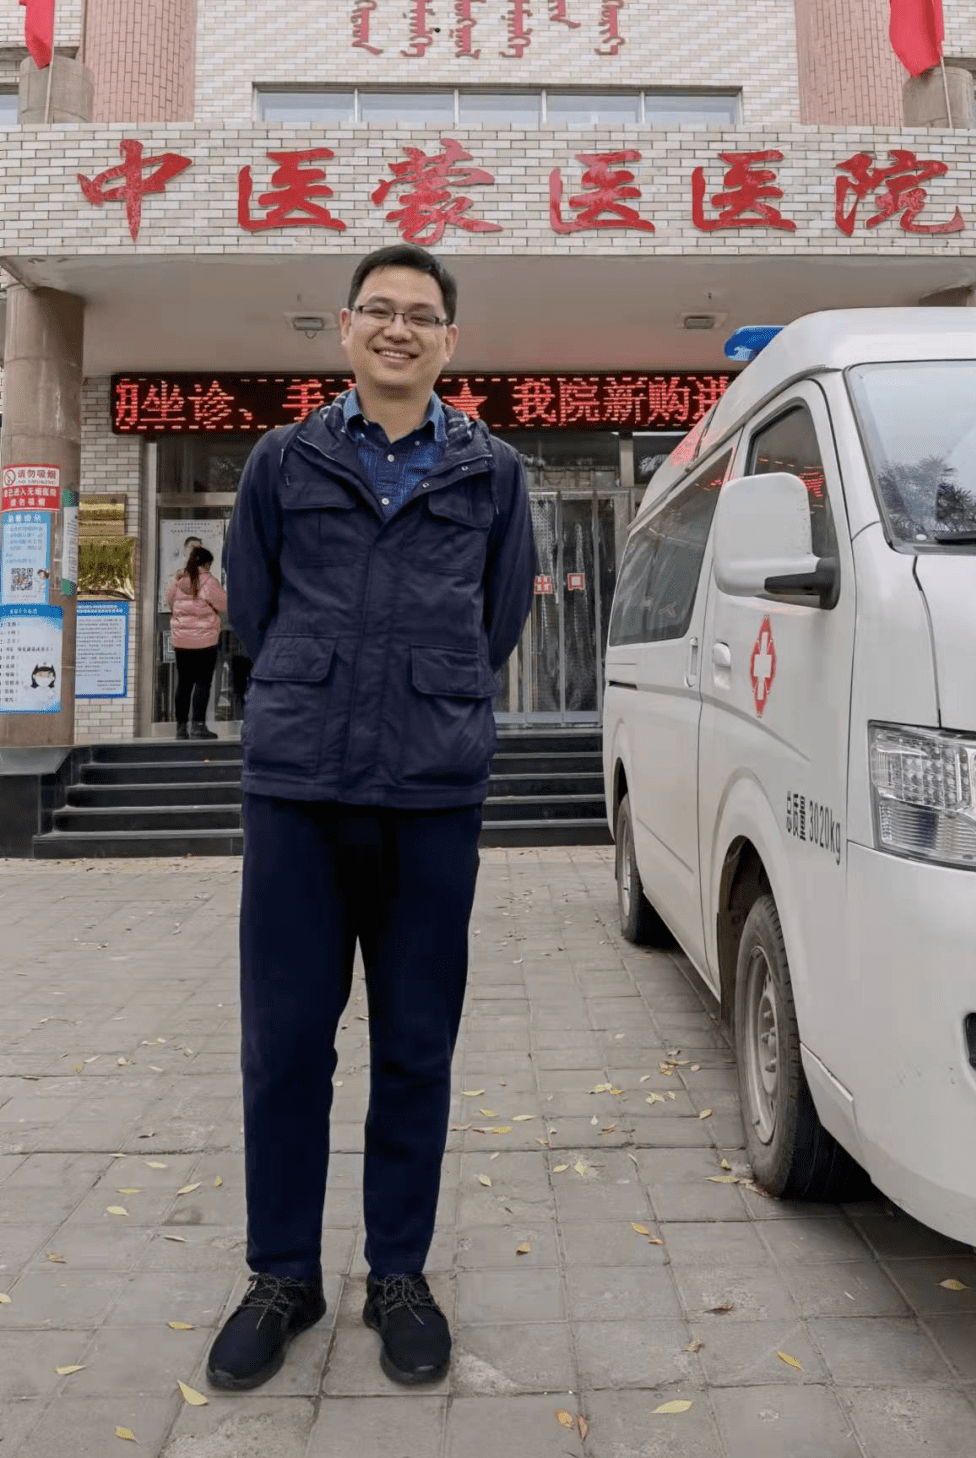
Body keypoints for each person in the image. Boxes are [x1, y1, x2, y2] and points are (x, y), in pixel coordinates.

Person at [208, 244, 534, 1394]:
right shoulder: (280, 458)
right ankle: (282, 1274)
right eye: (380, 312)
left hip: (433, 795)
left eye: (424, 317)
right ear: (345, 329)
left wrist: (412, 703)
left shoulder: (492, 473)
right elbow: (253, 607)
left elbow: (497, 622)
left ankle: (397, 1271)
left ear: (449, 341)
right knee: (285, 1047)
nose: (401, 330)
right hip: (297, 792)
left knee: (415, 1047)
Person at [166, 545, 226, 740]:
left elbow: (170, 602)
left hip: (182, 641)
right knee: (202, 682)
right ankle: (199, 726)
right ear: (206, 563)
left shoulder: (177, 581)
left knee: (183, 683)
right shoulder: (208, 581)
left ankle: (180, 728)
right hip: (205, 641)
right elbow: (223, 604)